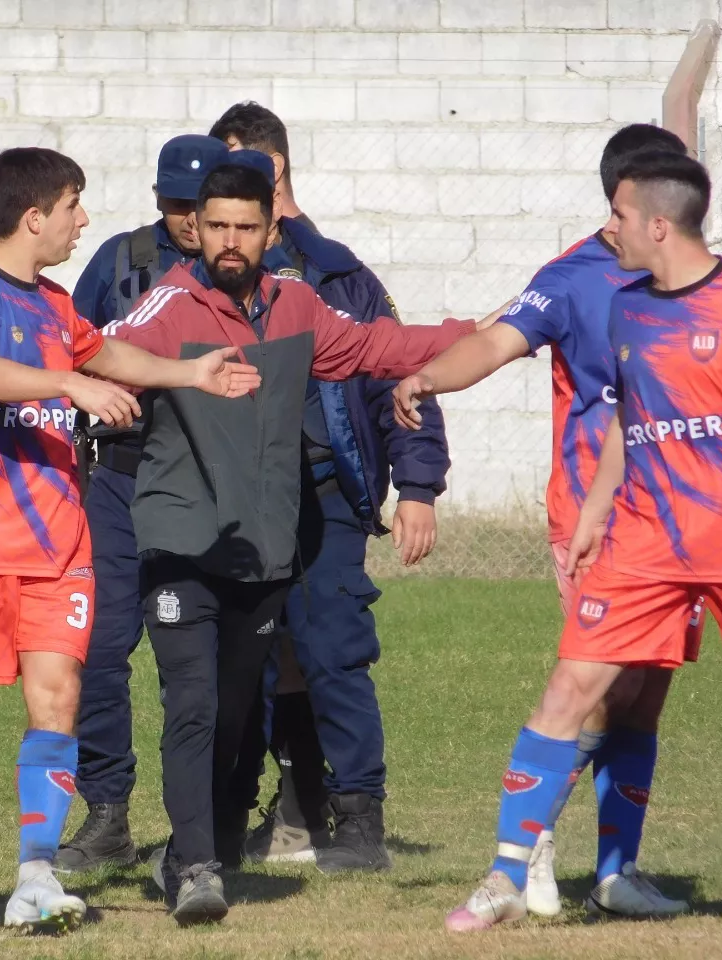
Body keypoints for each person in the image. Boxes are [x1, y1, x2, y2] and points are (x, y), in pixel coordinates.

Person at [104, 162, 485, 925]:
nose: (231, 242)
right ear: (197, 228)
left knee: (239, 710)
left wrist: (488, 335)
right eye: (217, 226)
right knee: (195, 700)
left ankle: (187, 851)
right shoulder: (171, 303)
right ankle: (201, 868)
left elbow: (380, 347)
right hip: (180, 540)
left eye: (246, 227)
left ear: (272, 230)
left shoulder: (299, 305)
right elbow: (96, 347)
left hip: (260, 545)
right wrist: (168, 374)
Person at [0, 146, 260, 937]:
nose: (83, 219)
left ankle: (34, 877)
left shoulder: (58, 304)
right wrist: (69, 384)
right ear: (35, 217)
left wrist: (189, 374)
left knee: (58, 700)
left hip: (57, 541)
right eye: (73, 205)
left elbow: (106, 352)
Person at [439, 149, 722, 932]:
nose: (608, 225)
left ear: (659, 224)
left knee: (645, 706)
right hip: (644, 540)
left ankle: (609, 871)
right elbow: (632, 415)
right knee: (571, 690)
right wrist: (595, 509)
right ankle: (504, 875)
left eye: (619, 214)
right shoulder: (628, 306)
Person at [393, 124, 693, 919]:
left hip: (681, 520)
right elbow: (493, 342)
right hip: (594, 518)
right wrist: (429, 377)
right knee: (600, 685)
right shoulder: (570, 278)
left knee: (644, 697)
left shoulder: (691, 280)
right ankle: (533, 842)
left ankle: (616, 872)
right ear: (626, 199)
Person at [211, 101, 450, 873]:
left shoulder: (339, 276)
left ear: (277, 176)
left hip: (324, 496)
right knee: (247, 660)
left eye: (247, 174)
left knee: (332, 653)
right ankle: (285, 810)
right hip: (237, 502)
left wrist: (417, 483)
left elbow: (397, 378)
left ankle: (358, 821)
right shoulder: (199, 278)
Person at [56, 134, 231, 873]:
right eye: (176, 204)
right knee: (98, 649)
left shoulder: (236, 268)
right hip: (121, 480)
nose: (189, 219)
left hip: (204, 486)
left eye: (199, 205)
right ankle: (108, 815)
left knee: (201, 661)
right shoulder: (121, 261)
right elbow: (67, 348)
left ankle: (210, 823)